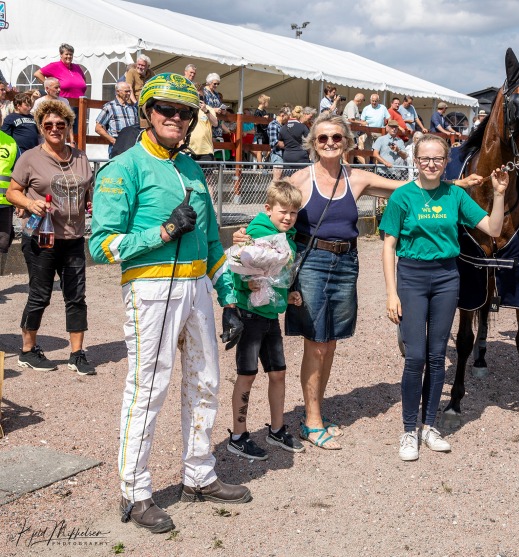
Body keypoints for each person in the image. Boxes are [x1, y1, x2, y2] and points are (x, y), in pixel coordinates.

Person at [232, 113, 482, 450]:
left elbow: (415, 187)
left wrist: (457, 186)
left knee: (331, 342)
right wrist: (246, 234)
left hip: (347, 262)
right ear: (313, 143)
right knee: (316, 343)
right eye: (323, 138)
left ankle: (314, 414)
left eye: (337, 137)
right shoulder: (301, 180)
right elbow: (273, 213)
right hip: (313, 262)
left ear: (347, 142)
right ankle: (312, 420)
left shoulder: (358, 177)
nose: (330, 143)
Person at [89, 73, 252, 534]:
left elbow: (209, 242)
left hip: (197, 288)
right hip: (151, 290)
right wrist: (160, 234)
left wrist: (229, 296)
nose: (177, 118)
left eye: (186, 112)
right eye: (167, 109)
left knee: (205, 381)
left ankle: (198, 475)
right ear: (147, 112)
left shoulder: (193, 168)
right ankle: (135, 491)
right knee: (149, 388)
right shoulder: (122, 168)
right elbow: (101, 245)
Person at [380, 135, 508, 461]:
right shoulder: (403, 196)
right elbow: (388, 245)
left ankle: (429, 426)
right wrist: (391, 293)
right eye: (425, 159)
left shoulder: (455, 195)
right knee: (415, 357)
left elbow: (493, 229)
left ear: (446, 160)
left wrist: (499, 194)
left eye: (438, 159)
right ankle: (409, 431)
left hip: (447, 278)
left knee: (437, 357)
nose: (432, 164)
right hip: (411, 277)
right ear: (416, 161)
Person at [5, 100, 94, 375]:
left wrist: (89, 202)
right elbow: (12, 191)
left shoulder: (80, 156)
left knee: (76, 296)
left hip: (74, 236)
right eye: (48, 125)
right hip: (41, 238)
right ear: (42, 128)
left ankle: (77, 354)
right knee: (40, 295)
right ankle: (28, 351)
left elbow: (86, 189)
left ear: (68, 127)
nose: (55, 128)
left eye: (60, 124)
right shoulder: (30, 157)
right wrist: (29, 204)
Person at [227, 181, 305, 460]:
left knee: (278, 373)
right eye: (283, 211)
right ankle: (238, 435)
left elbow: (276, 277)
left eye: (294, 213)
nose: (288, 217)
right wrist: (246, 287)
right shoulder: (257, 234)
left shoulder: (287, 236)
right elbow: (237, 267)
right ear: (268, 209)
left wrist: (289, 295)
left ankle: (277, 428)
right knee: (247, 375)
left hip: (271, 316)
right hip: (250, 315)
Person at [33, 43, 86, 135]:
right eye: (66, 54)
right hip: (64, 104)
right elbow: (37, 73)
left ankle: (75, 149)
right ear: (61, 55)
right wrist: (48, 87)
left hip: (81, 105)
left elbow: (83, 81)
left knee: (79, 134)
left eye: (71, 54)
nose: (69, 56)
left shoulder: (77, 67)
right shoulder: (55, 66)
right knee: (64, 131)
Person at [95, 82, 138, 157]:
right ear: (118, 92)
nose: (128, 94)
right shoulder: (109, 107)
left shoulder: (133, 109)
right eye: (126, 91)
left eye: (129, 91)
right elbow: (98, 128)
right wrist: (113, 140)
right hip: (117, 146)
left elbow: (136, 128)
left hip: (132, 146)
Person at [0, 128, 19, 260]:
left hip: (4, 204)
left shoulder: (11, 143)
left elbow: (20, 175)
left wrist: (20, 201)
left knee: (2, 243)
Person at [187, 91, 218, 162]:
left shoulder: (209, 109)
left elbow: (215, 124)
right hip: (189, 150)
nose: (198, 98)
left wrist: (206, 111)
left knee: (207, 173)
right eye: (196, 95)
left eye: (200, 96)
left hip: (205, 150)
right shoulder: (187, 108)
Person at [202, 73, 224, 141]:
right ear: (209, 82)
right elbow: (202, 106)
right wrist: (214, 109)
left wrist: (222, 109)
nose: (216, 85)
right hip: (207, 122)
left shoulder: (216, 94)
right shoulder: (203, 92)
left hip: (217, 124)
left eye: (218, 84)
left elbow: (219, 105)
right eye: (215, 83)